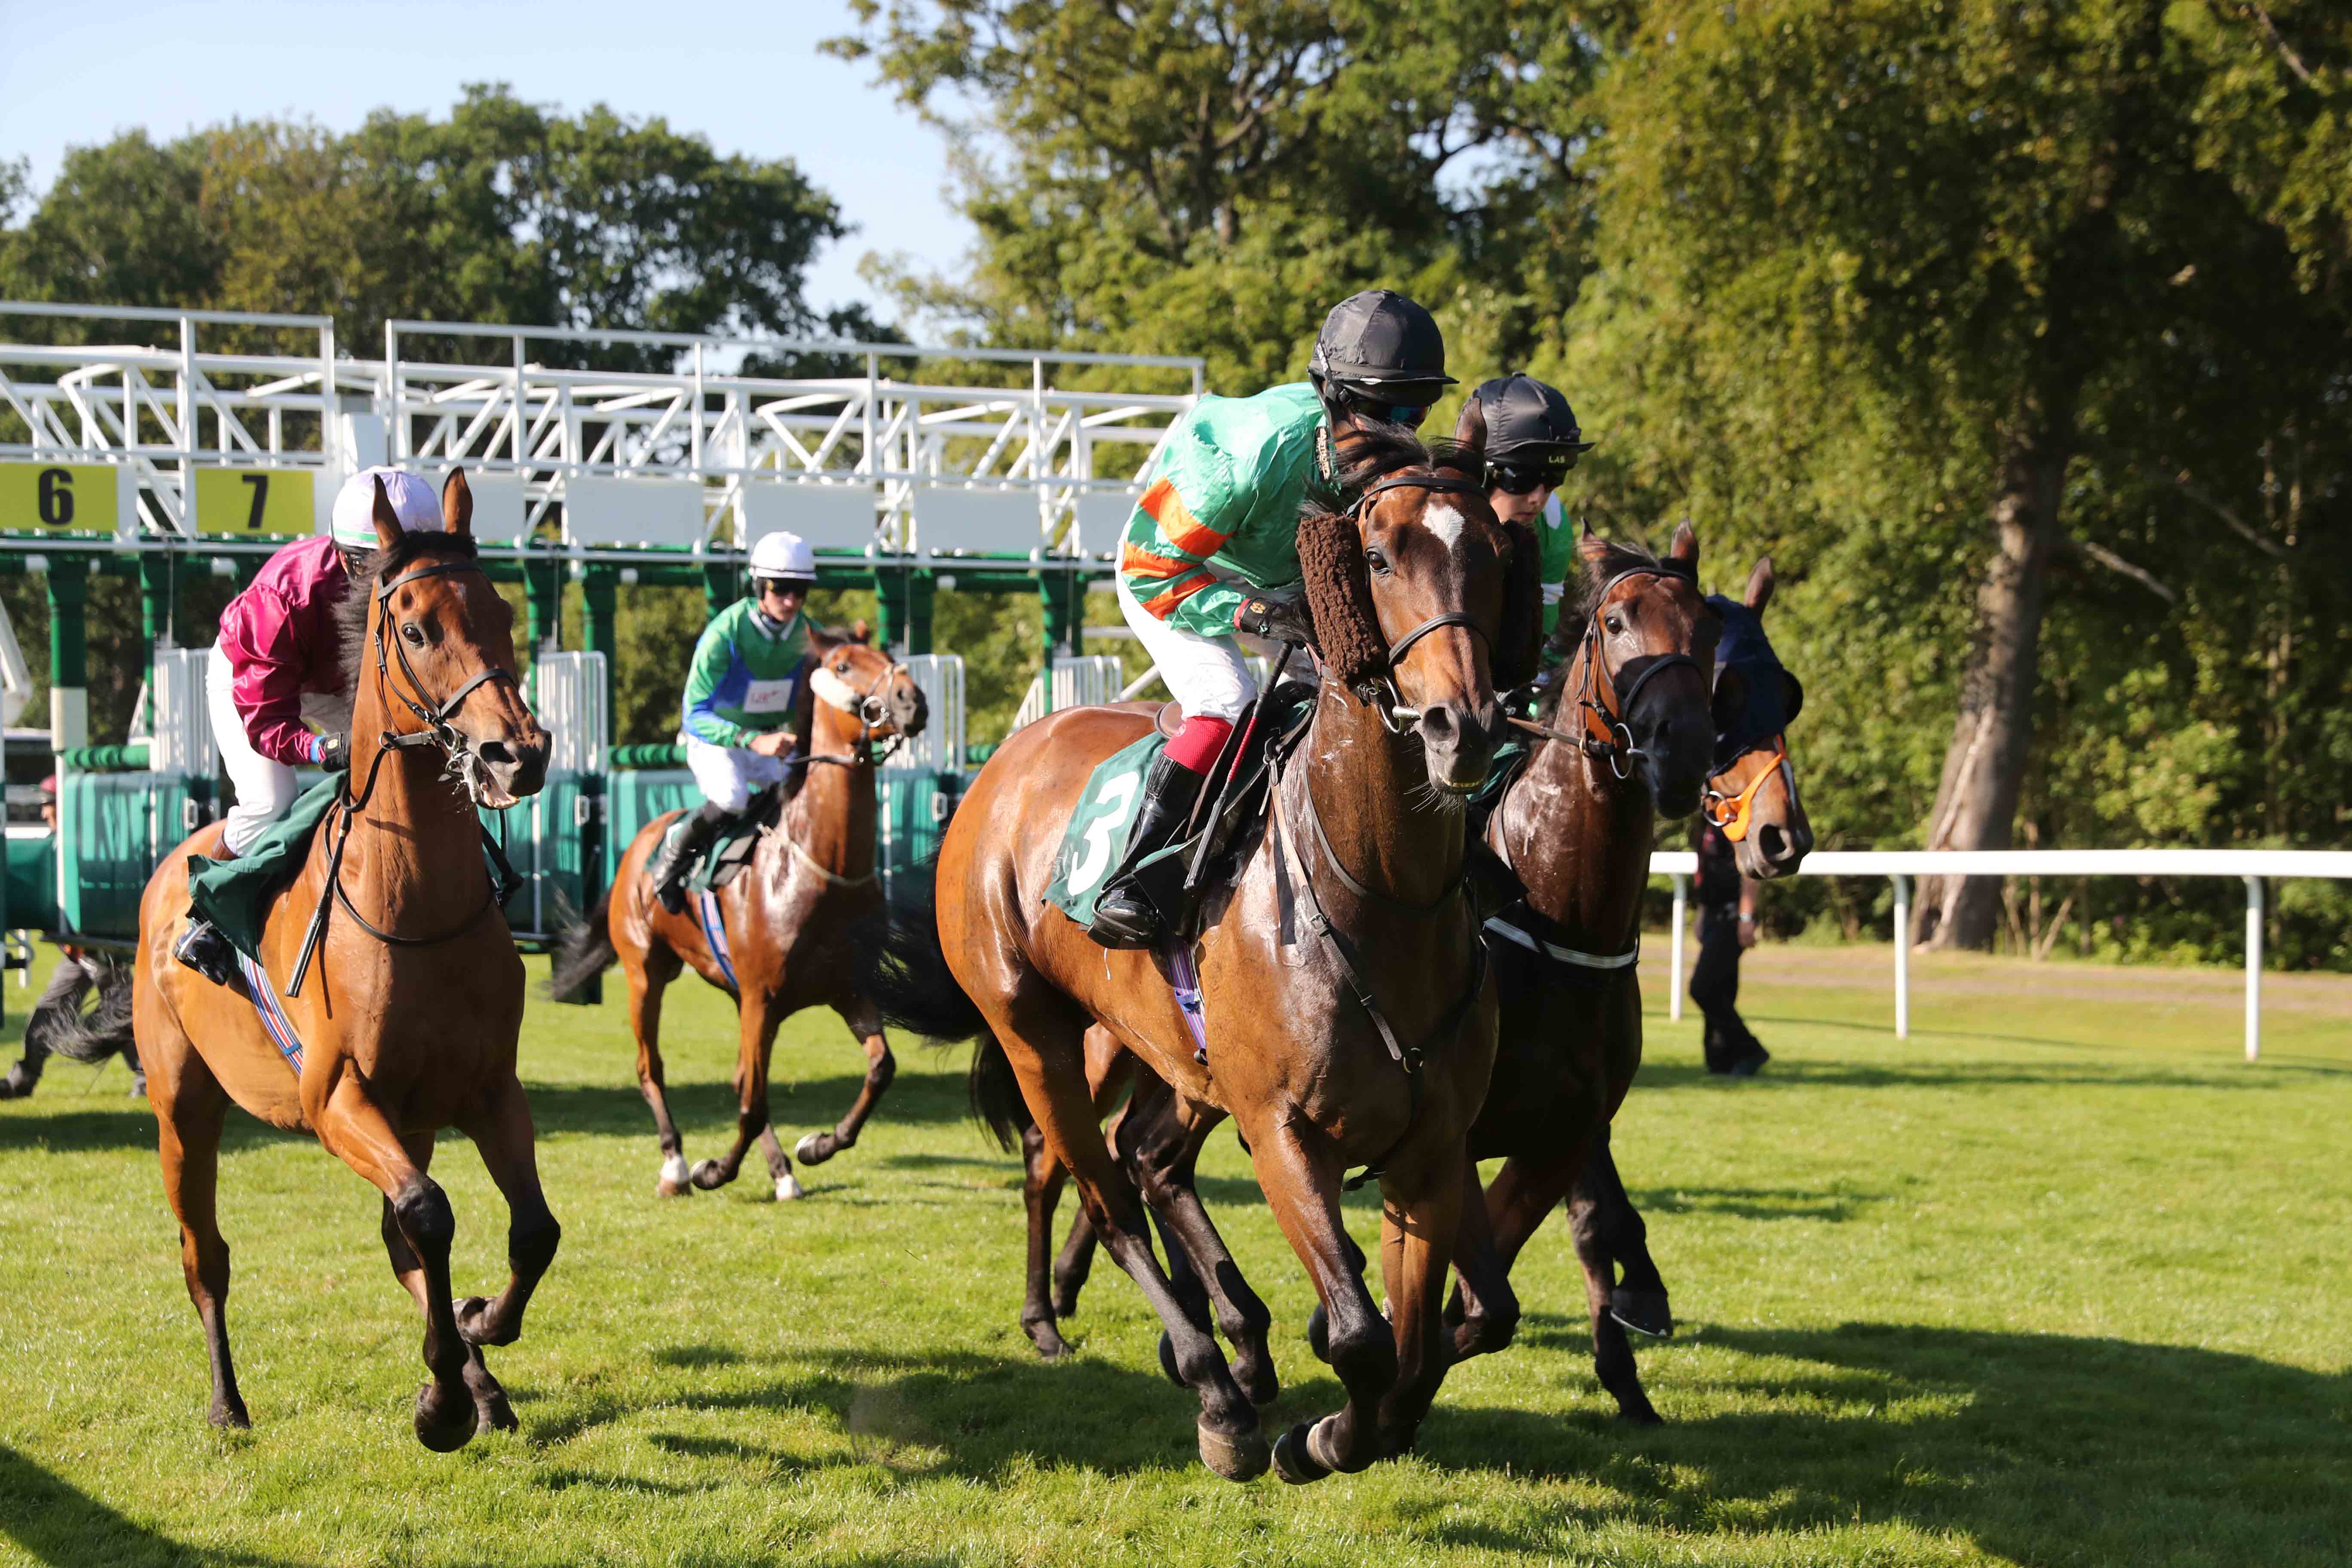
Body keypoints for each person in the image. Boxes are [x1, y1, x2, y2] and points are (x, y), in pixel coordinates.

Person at [1090, 288, 1458, 948]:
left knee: (1371, 706)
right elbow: (1153, 570)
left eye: (1415, 410)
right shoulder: (1254, 450)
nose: (1400, 431)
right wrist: (1258, 614)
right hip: (1177, 570)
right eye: (1384, 410)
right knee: (1229, 702)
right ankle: (1139, 877)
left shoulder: (1384, 470)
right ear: (1334, 395)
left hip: (1285, 580)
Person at [173, 466, 447, 982]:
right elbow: (267, 721)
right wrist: (323, 750)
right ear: (349, 558)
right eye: (393, 564)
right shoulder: (285, 595)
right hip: (254, 682)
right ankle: (205, 914)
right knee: (269, 802)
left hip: (339, 682)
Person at [645, 529, 816, 913]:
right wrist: (751, 740)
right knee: (732, 797)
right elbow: (694, 716)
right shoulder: (725, 633)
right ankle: (672, 860)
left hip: (772, 742)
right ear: (759, 586)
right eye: (780, 588)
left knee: (805, 795)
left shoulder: (809, 635)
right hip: (714, 741)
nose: (790, 601)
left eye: (800, 591)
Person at [1467, 372, 1594, 646]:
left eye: (1554, 479)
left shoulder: (1554, 526)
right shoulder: (1430, 515)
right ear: (1482, 472)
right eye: (1521, 479)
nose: (1538, 498)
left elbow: (1539, 641)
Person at [1690, 815, 1769, 1075]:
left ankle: (1751, 1050)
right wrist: (1702, 914)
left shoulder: (1736, 824)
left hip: (1732, 915)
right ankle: (1721, 1059)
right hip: (1713, 914)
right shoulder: (1705, 824)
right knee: (1721, 989)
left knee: (1702, 989)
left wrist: (1746, 918)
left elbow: (1750, 872)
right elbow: (1705, 871)